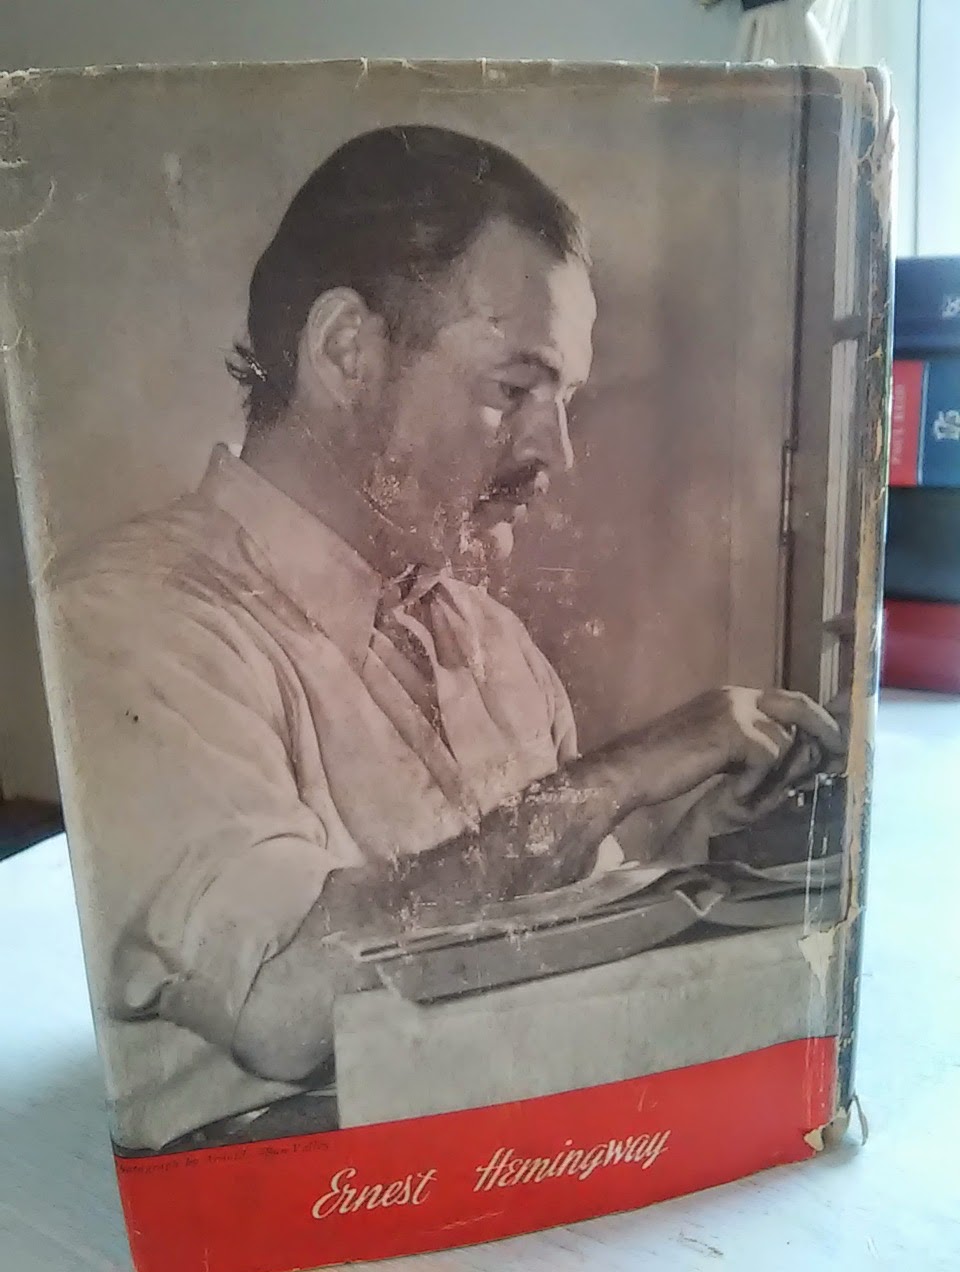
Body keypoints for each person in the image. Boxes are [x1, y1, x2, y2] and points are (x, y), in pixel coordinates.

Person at [52, 125, 842, 1153]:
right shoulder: (131, 619)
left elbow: (535, 930)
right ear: (346, 351)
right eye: (514, 388)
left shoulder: (494, 644)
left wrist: (704, 842)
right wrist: (618, 777)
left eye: (565, 400)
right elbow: (286, 1001)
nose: (556, 452)